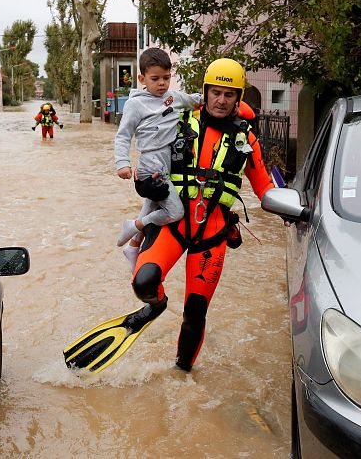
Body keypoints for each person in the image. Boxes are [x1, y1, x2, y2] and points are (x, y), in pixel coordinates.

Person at [64, 58, 273, 374]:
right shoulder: (179, 118)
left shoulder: (247, 141)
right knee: (143, 282)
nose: (221, 100)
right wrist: (136, 171)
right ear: (205, 92)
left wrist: (291, 211)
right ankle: (156, 306)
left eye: (229, 95)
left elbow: (265, 189)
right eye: (215, 92)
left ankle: (182, 374)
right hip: (172, 223)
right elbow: (140, 130)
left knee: (195, 313)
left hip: (212, 235)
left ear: (238, 98)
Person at [113, 48, 202, 271]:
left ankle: (133, 246)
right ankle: (134, 225)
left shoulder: (172, 97)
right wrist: (122, 163)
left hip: (167, 162)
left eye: (166, 78)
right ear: (142, 79)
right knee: (174, 212)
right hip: (150, 164)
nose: (162, 83)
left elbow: (193, 101)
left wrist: (208, 96)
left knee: (152, 205)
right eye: (155, 79)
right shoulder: (135, 104)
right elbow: (123, 135)